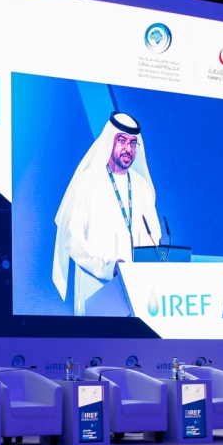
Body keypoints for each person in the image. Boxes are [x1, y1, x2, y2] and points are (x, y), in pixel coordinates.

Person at [52, 112, 160, 316]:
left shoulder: (142, 187)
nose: (128, 149)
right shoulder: (87, 183)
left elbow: (154, 236)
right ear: (110, 140)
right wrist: (107, 267)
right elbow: (72, 238)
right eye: (122, 141)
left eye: (133, 143)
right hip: (96, 287)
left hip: (138, 291)